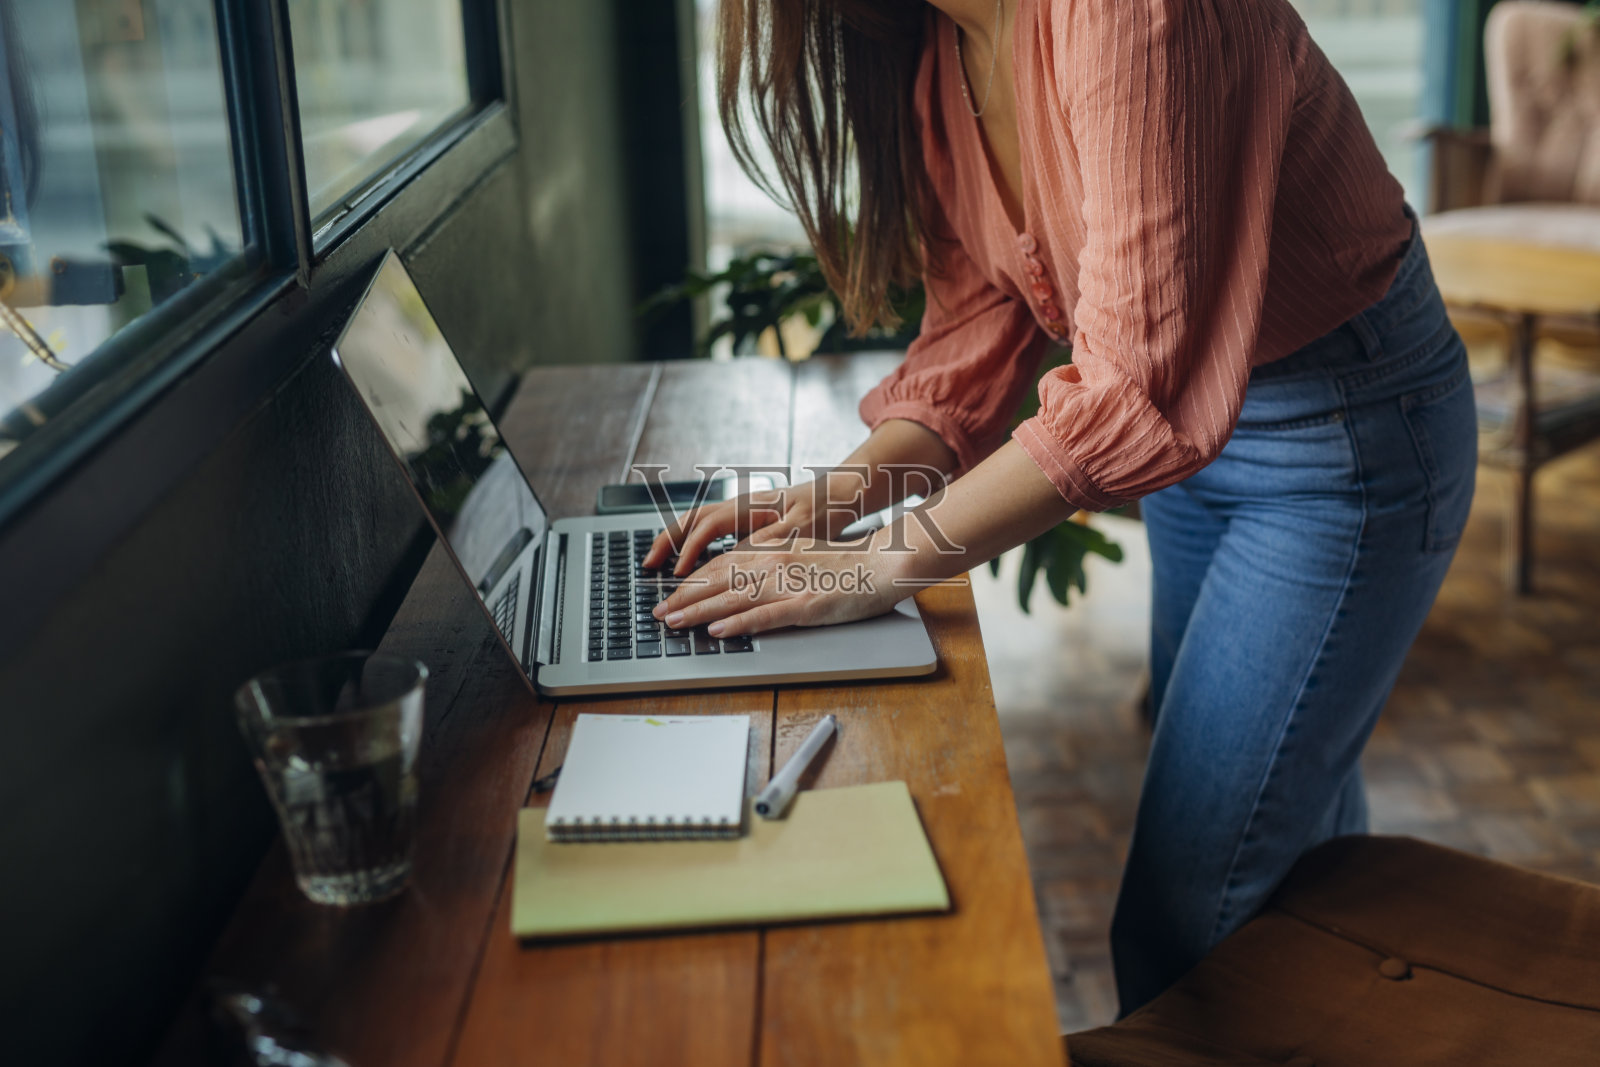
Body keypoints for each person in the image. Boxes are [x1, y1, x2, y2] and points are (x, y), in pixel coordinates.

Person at [645, 0, 1476, 1014]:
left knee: (1185, 921)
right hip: (1191, 436)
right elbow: (980, 323)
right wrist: (827, 506)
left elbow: (1130, 388)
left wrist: (869, 566)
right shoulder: (942, 44)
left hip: (1340, 437)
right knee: (1288, 836)